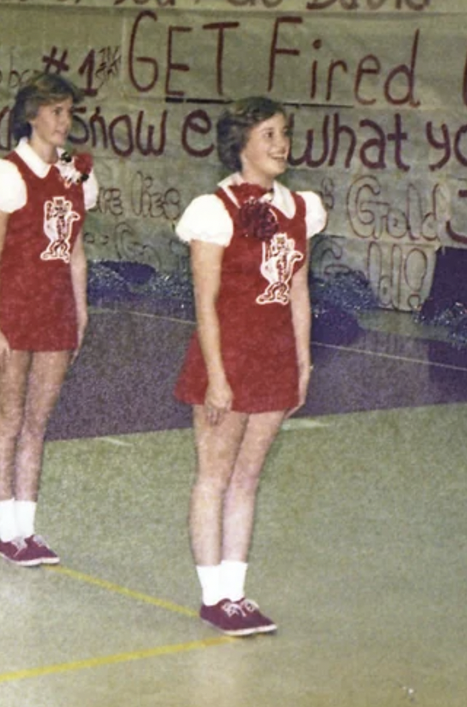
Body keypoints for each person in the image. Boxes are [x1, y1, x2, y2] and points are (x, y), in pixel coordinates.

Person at [173, 96, 325, 636]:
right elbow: (205, 302)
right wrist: (216, 375)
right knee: (214, 477)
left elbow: (299, 291)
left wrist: (303, 362)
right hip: (227, 357)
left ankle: (237, 592)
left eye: (283, 132)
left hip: (275, 357)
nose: (281, 144)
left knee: (248, 479)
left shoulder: (301, 208)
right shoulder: (213, 211)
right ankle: (213, 595)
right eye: (268, 134)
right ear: (241, 143)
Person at [0, 73, 95, 567]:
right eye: (56, 112)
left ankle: (29, 528)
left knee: (38, 425)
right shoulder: (5, 173)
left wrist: (81, 310)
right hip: (14, 310)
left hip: (56, 311)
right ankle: (7, 532)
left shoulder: (77, 173)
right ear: (32, 115)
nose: (65, 122)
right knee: (9, 420)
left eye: (69, 112)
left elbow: (77, 251)